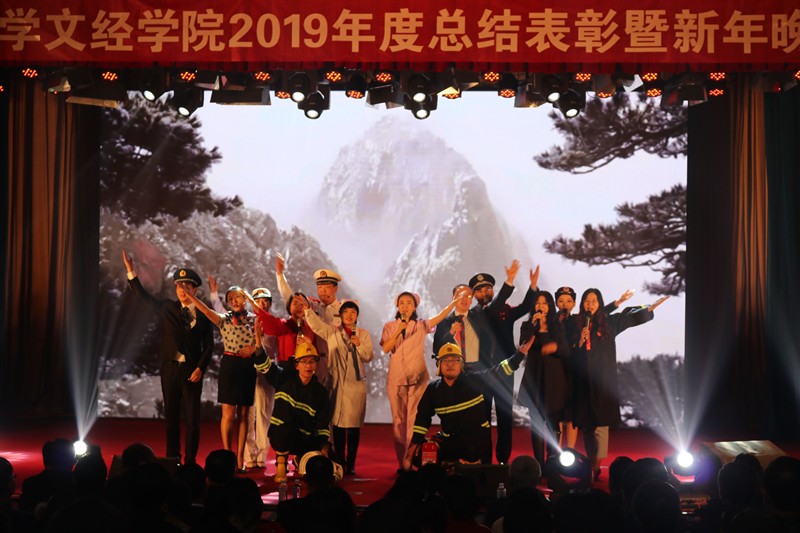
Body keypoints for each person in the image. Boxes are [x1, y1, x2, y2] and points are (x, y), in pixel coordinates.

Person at [122, 250, 214, 465]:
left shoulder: (204, 313)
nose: (182, 291)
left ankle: (190, 462)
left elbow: (209, 345)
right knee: (171, 418)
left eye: (187, 287)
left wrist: (200, 368)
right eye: (179, 287)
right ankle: (173, 459)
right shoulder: (167, 307)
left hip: (192, 372)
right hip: (170, 370)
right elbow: (142, 296)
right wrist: (130, 271)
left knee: (192, 421)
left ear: (195, 290)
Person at [572, 288, 668, 480]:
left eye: (594, 301)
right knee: (588, 426)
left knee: (602, 424)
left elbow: (628, 318)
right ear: (582, 304)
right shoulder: (575, 324)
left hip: (603, 379)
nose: (590, 304)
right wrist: (580, 340)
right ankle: (591, 459)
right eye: (587, 301)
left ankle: (596, 464)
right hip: (583, 379)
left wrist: (649, 309)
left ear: (599, 303)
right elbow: (569, 350)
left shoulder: (609, 322)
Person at [405, 339, 532, 467]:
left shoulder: (474, 381)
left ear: (461, 364)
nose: (450, 364)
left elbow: (498, 371)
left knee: (468, 454)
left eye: (455, 360)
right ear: (439, 365)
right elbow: (422, 418)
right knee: (419, 455)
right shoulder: (433, 390)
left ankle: (462, 465)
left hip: (474, 442)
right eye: (445, 360)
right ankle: (452, 466)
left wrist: (519, 355)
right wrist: (415, 442)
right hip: (450, 440)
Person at [381, 290, 466, 473]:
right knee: (398, 421)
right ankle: (401, 463)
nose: (405, 306)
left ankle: (409, 460)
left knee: (413, 420)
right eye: (402, 303)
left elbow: (440, 317)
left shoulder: (421, 325)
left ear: (414, 307)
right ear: (397, 306)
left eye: (409, 303)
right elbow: (386, 348)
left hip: (417, 377)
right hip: (396, 378)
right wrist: (399, 329)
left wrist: (453, 304)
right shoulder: (389, 326)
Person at [180, 284, 257, 472]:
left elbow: (264, 341)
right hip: (230, 365)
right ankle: (228, 456)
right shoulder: (224, 319)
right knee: (228, 414)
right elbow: (206, 311)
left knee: (244, 414)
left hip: (248, 366)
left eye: (238, 297)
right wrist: (191, 297)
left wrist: (254, 349)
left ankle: (240, 458)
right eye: (231, 299)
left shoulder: (255, 319)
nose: (234, 301)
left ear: (245, 298)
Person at [470, 262, 539, 464]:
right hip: (481, 372)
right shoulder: (474, 314)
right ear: (474, 295)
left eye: (488, 288)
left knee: (505, 417)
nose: (485, 292)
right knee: (482, 419)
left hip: (506, 370)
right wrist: (509, 281)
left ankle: (502, 460)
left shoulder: (504, 311)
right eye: (480, 290)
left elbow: (525, 307)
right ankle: (484, 460)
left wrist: (533, 286)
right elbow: (494, 309)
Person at [208, 277, 277, 471]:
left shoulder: (265, 321)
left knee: (262, 415)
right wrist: (213, 293)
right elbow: (218, 310)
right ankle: (247, 456)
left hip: (263, 371)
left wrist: (255, 348)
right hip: (243, 368)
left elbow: (268, 347)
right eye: (258, 300)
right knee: (247, 415)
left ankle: (261, 455)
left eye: (265, 301)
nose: (262, 304)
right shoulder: (233, 318)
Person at [554, 286, 635, 450]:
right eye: (561, 301)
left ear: (574, 303)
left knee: (577, 418)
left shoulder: (579, 320)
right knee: (558, 417)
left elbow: (598, 313)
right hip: (558, 371)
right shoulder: (557, 320)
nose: (565, 304)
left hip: (576, 374)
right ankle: (555, 452)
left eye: (568, 301)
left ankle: (571, 452)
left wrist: (618, 302)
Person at [253, 322, 331, 483]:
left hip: (304, 439)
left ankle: (300, 460)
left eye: (312, 361)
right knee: (283, 432)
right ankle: (281, 463)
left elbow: (322, 425)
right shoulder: (283, 378)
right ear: (296, 364)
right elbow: (265, 366)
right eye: (304, 361)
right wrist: (258, 342)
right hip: (281, 434)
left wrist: (323, 446)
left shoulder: (321, 393)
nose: (308, 366)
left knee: (327, 466)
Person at [304, 300, 374, 475]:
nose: (349, 316)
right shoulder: (332, 332)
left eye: (353, 312)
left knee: (353, 426)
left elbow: (368, 356)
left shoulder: (363, 334)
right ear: (340, 315)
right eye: (346, 312)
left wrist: (358, 344)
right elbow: (316, 326)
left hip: (355, 385)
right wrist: (308, 310)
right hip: (336, 384)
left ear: (357, 316)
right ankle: (340, 461)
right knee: (337, 426)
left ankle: (351, 463)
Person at [433, 285, 497, 463]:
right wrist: (450, 333)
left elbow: (489, 342)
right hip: (455, 375)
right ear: (453, 298)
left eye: (468, 295)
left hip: (478, 372)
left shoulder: (479, 317)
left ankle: (484, 462)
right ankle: (454, 460)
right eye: (460, 295)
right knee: (455, 419)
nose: (464, 299)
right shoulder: (444, 321)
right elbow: (436, 348)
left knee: (483, 419)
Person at [518, 291, 570, 466]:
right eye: (537, 303)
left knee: (553, 424)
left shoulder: (557, 325)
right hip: (535, 378)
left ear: (550, 306)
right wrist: (534, 325)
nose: (541, 306)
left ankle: (553, 463)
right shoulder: (527, 325)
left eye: (544, 303)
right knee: (537, 424)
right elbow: (523, 345)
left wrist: (555, 347)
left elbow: (566, 351)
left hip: (554, 379)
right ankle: (539, 464)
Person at [275, 253, 342, 383]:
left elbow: (329, 334)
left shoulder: (341, 311)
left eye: (327, 288)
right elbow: (291, 298)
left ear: (335, 289)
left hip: (334, 363)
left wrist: (309, 312)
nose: (323, 291)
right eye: (320, 287)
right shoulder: (313, 305)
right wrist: (280, 274)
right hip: (314, 360)